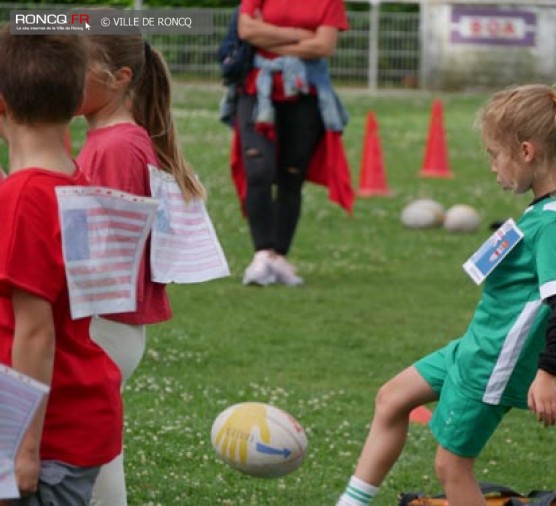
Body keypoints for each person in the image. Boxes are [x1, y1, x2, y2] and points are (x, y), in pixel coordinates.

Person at [336, 72, 556, 506]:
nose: (491, 165)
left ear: (526, 152)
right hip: (475, 345)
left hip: (495, 359)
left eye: (495, 155)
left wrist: (548, 374)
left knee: (451, 467)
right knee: (392, 398)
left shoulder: (551, 224)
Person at [76, 35, 205, 506]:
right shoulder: (112, 140)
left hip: (102, 322)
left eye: (78, 65)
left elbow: (107, 250)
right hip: (107, 322)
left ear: (120, 78)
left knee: (92, 447)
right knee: (91, 445)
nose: (65, 75)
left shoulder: (117, 146)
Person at [0, 28, 123, 505]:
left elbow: (36, 332)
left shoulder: (25, 198)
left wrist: (20, 451)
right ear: (77, 100)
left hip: (45, 437)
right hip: (78, 413)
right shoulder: (74, 180)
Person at [231, 0, 354, 287]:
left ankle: (279, 256)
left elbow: (323, 47)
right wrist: (300, 34)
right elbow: (246, 30)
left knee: (292, 175)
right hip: (256, 91)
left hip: (304, 95)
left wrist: (270, 38)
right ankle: (261, 253)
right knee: (258, 170)